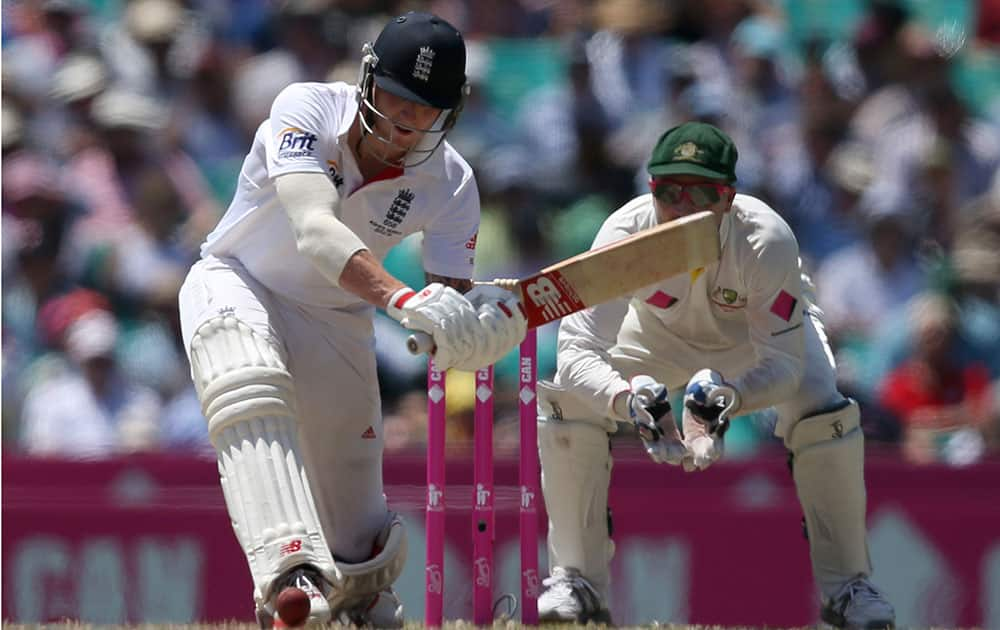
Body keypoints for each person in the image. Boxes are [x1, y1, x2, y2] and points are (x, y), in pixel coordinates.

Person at [176, 12, 526, 628]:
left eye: (422, 111)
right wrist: (402, 300)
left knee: (359, 536)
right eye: (393, 98)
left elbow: (443, 315)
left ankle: (359, 601)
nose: (401, 123)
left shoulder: (451, 185)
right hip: (236, 280)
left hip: (337, 319)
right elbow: (315, 231)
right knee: (248, 379)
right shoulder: (306, 108)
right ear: (367, 79)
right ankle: (291, 576)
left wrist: (476, 332)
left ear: (451, 116)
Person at [535, 122, 895, 628]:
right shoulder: (623, 234)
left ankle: (848, 587)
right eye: (670, 192)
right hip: (653, 337)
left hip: (754, 344)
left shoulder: (765, 239)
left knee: (821, 404)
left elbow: (785, 366)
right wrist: (626, 399)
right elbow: (576, 353)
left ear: (728, 198)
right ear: (651, 191)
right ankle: (577, 579)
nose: (683, 208)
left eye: (703, 193)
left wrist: (728, 396)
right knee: (565, 399)